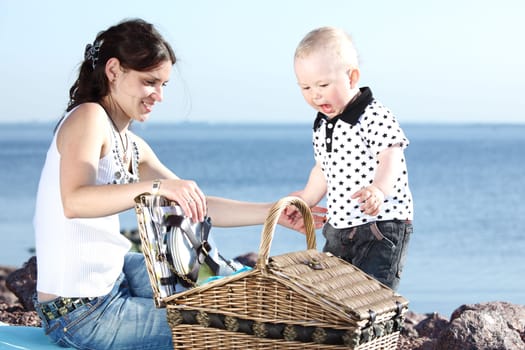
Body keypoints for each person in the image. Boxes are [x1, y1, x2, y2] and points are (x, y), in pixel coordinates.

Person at [32, 18, 321, 350]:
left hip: (117, 275)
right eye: (150, 82)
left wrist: (274, 212)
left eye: (164, 85)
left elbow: (197, 202)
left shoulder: (130, 143)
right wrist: (156, 189)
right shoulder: (88, 117)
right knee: (222, 332)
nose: (159, 96)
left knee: (223, 290)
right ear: (114, 71)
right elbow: (75, 201)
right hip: (80, 312)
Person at [289, 26, 413, 290]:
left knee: (373, 292)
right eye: (306, 87)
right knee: (332, 292)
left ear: (352, 77)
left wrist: (379, 189)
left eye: (323, 85)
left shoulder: (372, 114)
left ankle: (376, 329)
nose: (315, 94)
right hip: (340, 225)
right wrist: (307, 198)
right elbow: (323, 168)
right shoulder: (322, 124)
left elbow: (390, 154)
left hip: (380, 224)